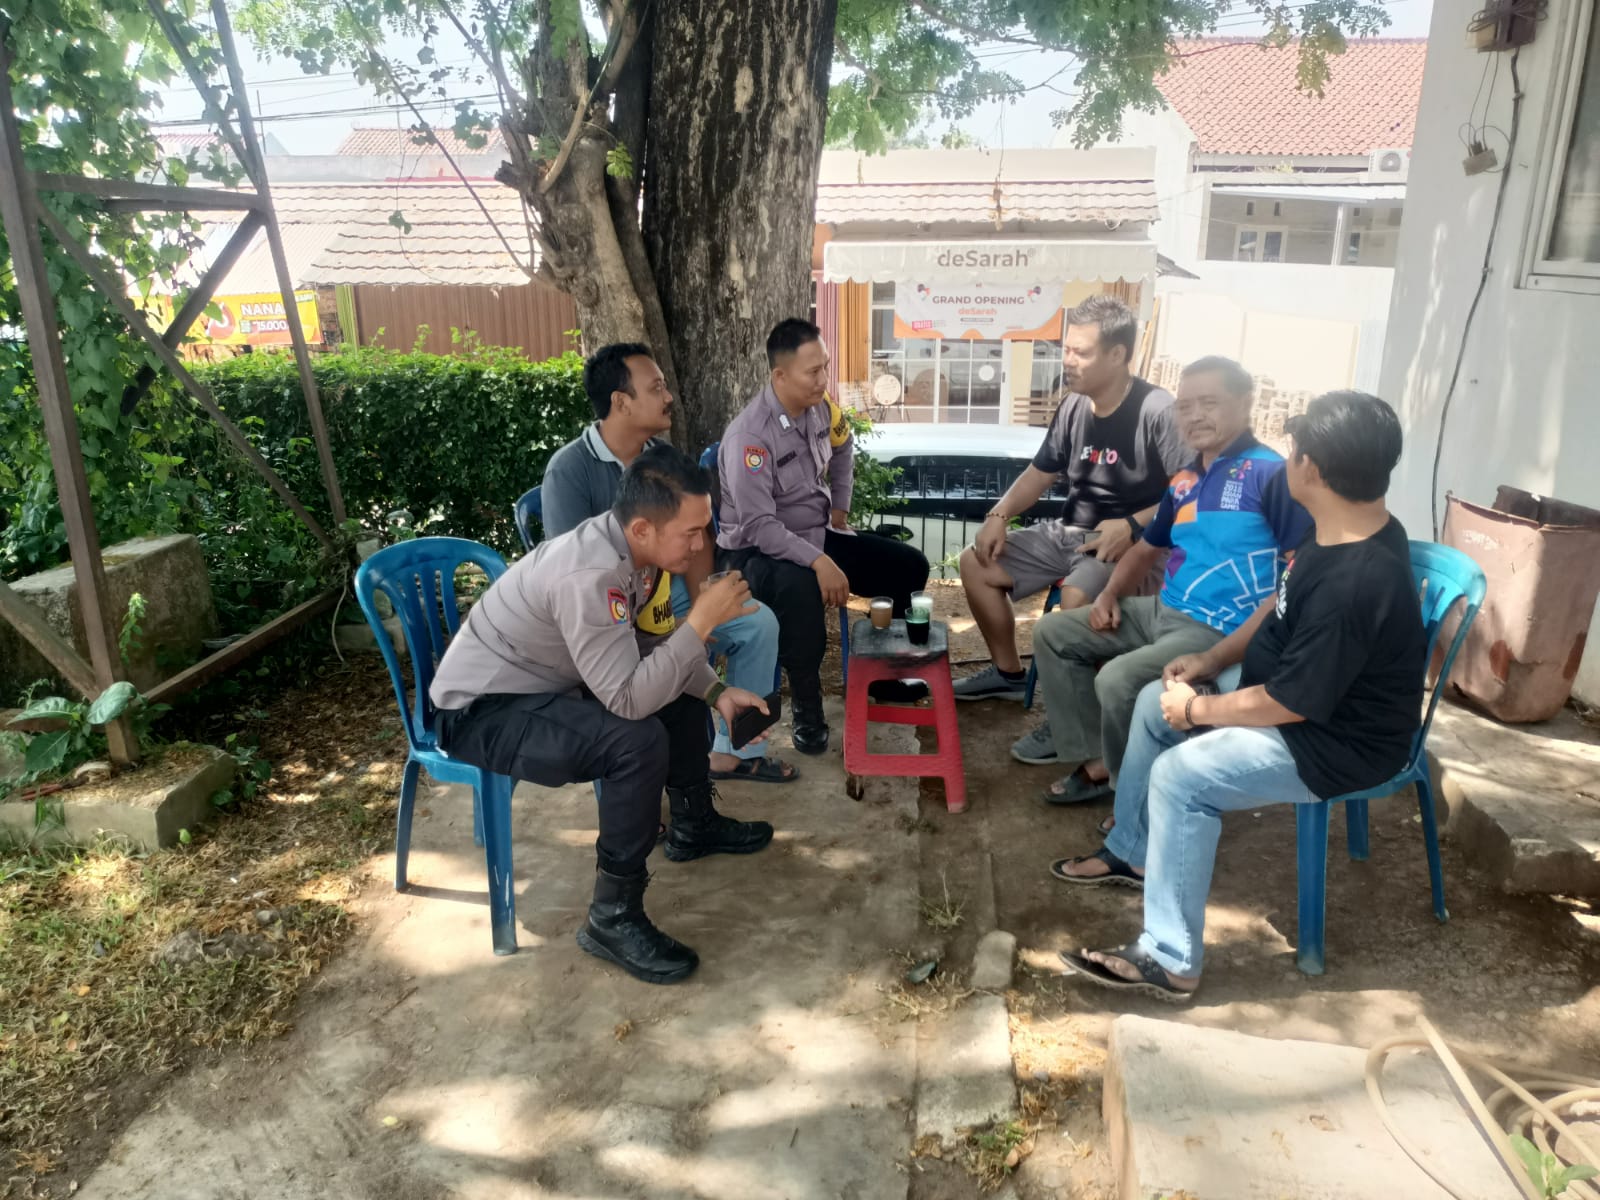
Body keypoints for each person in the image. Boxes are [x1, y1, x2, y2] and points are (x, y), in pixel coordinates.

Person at [1051, 392, 1424, 1001]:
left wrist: (1198, 710)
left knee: (1180, 777)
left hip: (1332, 743)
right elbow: (1278, 607)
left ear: (1311, 469)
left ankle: (1171, 959)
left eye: (1295, 450)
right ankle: (1132, 852)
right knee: (1151, 703)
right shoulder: (1340, 531)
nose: (1288, 458)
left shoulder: (1357, 582)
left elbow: (1289, 703)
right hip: (1290, 698)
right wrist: (1213, 659)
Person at [430, 445, 776, 985]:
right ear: (642, 528)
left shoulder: (635, 554)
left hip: (547, 686)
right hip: (481, 710)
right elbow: (629, 700)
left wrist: (716, 692)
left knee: (675, 689)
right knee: (635, 742)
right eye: (690, 533)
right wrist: (701, 622)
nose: (700, 545)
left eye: (704, 529)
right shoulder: (592, 574)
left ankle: (693, 825)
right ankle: (612, 915)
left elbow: (649, 647)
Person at [1017, 357, 1312, 810]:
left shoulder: (1270, 475)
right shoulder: (1186, 478)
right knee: (1054, 632)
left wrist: (1223, 653)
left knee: (1116, 680)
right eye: (1185, 406)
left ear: (1245, 403)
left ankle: (1128, 794)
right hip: (1162, 610)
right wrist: (1110, 594)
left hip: (1217, 627)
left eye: (1209, 403)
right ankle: (1100, 756)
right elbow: (1144, 550)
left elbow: (1297, 576)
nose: (1195, 416)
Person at [541, 343, 795, 785]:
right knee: (638, 671)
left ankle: (734, 751)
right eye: (656, 387)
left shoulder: (663, 459)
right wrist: (680, 627)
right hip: (607, 609)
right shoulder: (570, 470)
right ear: (621, 402)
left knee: (758, 623)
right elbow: (571, 579)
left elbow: (699, 540)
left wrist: (702, 608)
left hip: (667, 591)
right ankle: (630, 786)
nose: (669, 396)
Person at [954, 295, 1188, 707]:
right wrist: (998, 514)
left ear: (1117, 355)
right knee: (976, 563)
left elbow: (1189, 490)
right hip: (1069, 534)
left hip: (1131, 548)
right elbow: (1039, 473)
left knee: (1076, 599)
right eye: (1066, 350)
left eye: (1081, 352)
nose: (1068, 361)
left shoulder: (1158, 411)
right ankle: (1008, 675)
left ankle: (1077, 714)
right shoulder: (1075, 406)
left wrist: (1133, 525)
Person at [718, 318, 931, 755]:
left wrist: (840, 509)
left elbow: (842, 447)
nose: (823, 380)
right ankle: (807, 707)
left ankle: (885, 678)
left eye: (825, 367)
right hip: (756, 553)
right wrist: (818, 561)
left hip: (817, 532)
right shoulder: (749, 438)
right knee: (799, 590)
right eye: (812, 372)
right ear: (780, 376)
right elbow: (758, 526)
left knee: (908, 567)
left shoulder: (819, 407)